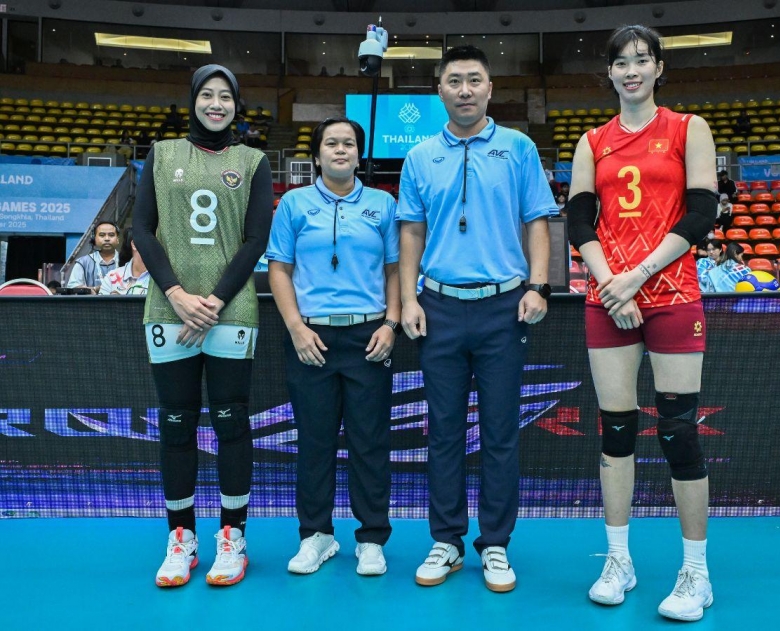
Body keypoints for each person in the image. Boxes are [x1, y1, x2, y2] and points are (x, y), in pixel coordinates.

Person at [567, 25, 718, 621]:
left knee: (679, 431)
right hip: (610, 299)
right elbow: (580, 220)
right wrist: (613, 285)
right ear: (609, 73)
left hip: (672, 294)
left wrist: (637, 277)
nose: (631, 71)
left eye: (641, 60)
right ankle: (618, 561)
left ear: (658, 68)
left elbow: (701, 212)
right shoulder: (592, 141)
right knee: (616, 431)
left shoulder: (687, 128)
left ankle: (696, 572)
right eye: (621, 62)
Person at [398, 45, 555, 593]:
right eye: (454, 81)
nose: (464, 90)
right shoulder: (420, 156)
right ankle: (446, 540)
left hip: (503, 308)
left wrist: (538, 285)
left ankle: (495, 544)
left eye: (474, 80)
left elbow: (537, 220)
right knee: (442, 431)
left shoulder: (519, 148)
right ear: (439, 90)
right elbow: (411, 231)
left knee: (499, 433)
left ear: (490, 88)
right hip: (439, 307)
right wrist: (409, 299)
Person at [132, 64, 273, 588]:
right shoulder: (163, 152)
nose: (217, 104)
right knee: (176, 423)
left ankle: (233, 537)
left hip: (230, 312)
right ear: (193, 100)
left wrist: (212, 302)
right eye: (207, 95)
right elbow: (141, 229)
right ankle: (181, 538)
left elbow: (255, 240)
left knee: (232, 421)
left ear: (237, 105)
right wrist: (175, 293)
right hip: (168, 309)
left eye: (226, 97)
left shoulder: (253, 161)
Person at [265, 117, 400, 577]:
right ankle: (316, 535)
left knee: (369, 443)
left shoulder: (382, 204)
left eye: (348, 144)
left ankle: (371, 539)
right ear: (317, 155)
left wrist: (392, 324)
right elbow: (279, 269)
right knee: (314, 443)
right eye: (331, 143)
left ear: (359, 155)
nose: (340, 150)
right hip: (312, 339)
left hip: (369, 337)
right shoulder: (293, 204)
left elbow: (394, 269)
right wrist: (296, 328)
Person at [66, 220, 120, 291]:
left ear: (117, 239)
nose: (107, 239)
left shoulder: (127, 261)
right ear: (94, 239)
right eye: (102, 235)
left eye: (111, 235)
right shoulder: (83, 262)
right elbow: (72, 288)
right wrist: (95, 289)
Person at [99, 228, 151, 295]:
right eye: (151, 241)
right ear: (134, 244)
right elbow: (101, 302)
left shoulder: (161, 278)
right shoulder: (111, 278)